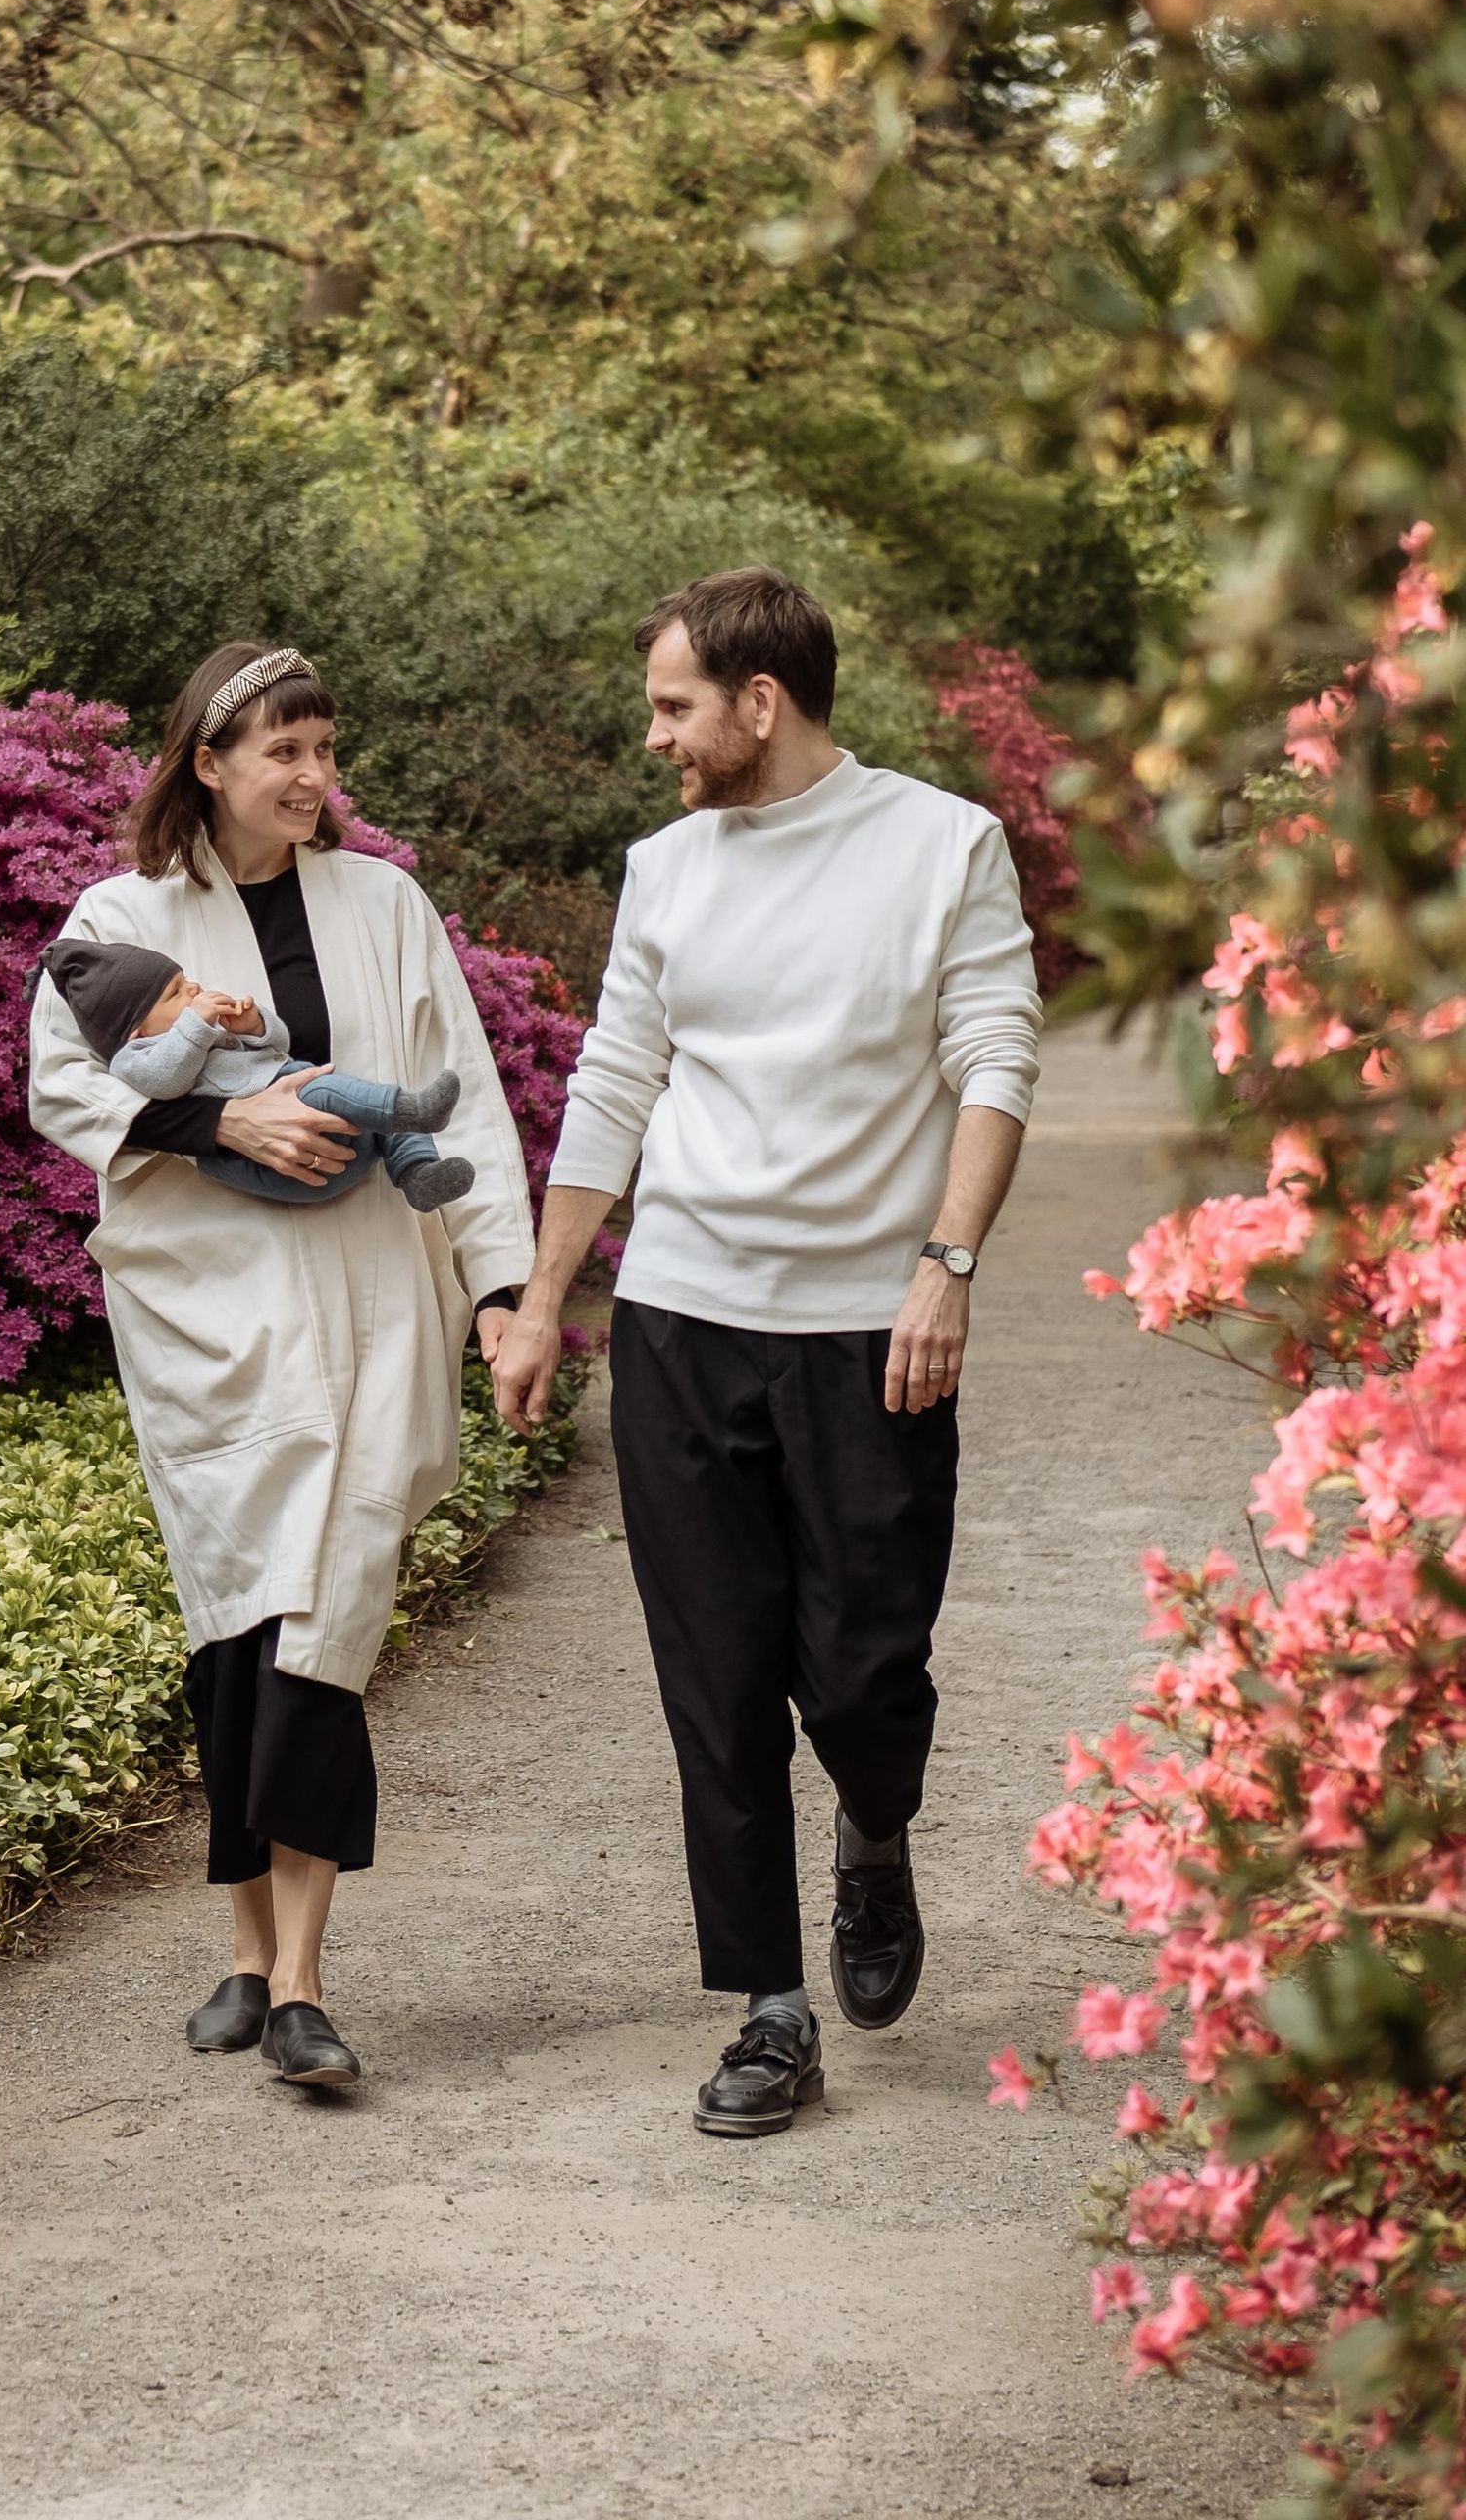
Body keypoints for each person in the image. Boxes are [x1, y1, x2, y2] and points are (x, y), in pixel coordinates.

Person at [491, 565, 1042, 2141]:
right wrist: (545, 1297)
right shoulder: (667, 869)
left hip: (873, 1332)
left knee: (864, 1671)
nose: (655, 736)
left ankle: (877, 1831)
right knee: (715, 1681)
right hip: (683, 1316)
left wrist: (947, 1264)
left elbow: (996, 1054)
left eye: (674, 706)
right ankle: (768, 2006)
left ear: (758, 701)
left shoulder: (941, 844)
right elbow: (614, 1081)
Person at [28, 640, 534, 2090]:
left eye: (325, 751)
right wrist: (219, 1127)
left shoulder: (384, 904)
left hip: (373, 1289)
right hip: (211, 1310)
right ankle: (248, 1953)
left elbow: (473, 1101)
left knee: (331, 1606)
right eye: (284, 754)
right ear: (210, 760)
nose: (315, 780)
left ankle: (301, 1979)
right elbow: (64, 1086)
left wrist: (500, 1286)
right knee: (242, 1613)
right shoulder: (123, 915)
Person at [37, 938, 476, 1209]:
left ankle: (418, 1174)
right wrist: (198, 1025)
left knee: (382, 1123)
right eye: (175, 992)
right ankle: (412, 1107)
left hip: (326, 1138)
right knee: (331, 1094)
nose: (192, 988)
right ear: (137, 1030)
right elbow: (164, 1082)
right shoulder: (135, 1058)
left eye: (185, 979)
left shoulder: (203, 1032)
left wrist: (255, 1027)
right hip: (269, 1164)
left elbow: (279, 1047)